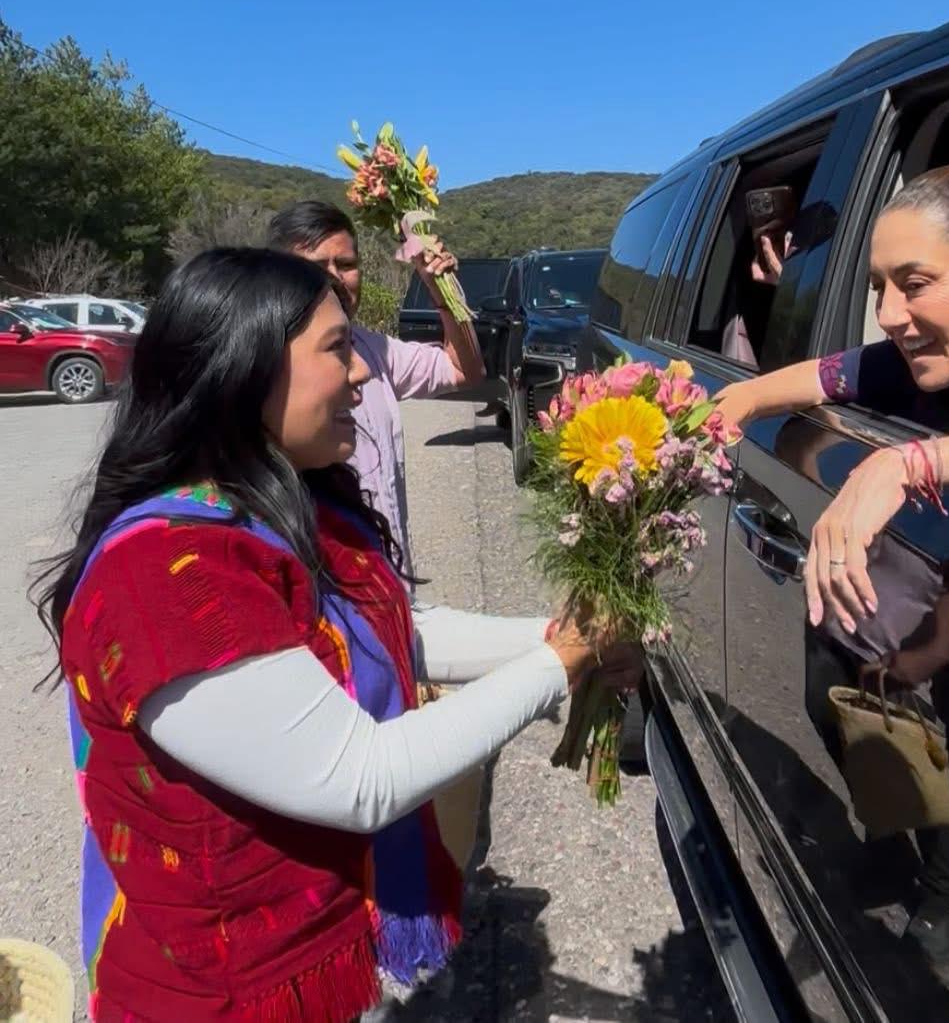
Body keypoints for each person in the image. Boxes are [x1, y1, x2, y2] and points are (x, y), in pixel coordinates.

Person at [37, 248, 636, 1021]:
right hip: (226, 989)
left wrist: (558, 634)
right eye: (335, 346)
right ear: (245, 367)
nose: (361, 373)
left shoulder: (285, 501)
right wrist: (561, 662)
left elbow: (384, 634)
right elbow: (359, 776)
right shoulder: (169, 574)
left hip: (320, 946)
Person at [717, 164, 949, 961]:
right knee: (827, 707)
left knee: (933, 756)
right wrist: (728, 405)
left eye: (914, 283)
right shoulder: (899, 362)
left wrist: (904, 463)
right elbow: (809, 378)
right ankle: (890, 844)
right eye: (877, 287)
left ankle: (942, 891)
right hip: (858, 598)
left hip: (947, 621)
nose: (890, 315)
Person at [267, 200, 484, 585]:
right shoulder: (263, 368)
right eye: (316, 267)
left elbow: (464, 370)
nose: (336, 278)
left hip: (390, 585)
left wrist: (441, 289)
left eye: (346, 265)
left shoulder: (376, 351)